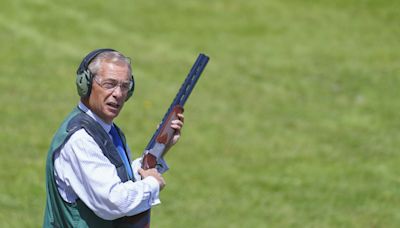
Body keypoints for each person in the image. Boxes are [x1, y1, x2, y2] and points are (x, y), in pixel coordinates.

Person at [43, 48, 184, 227]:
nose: (118, 94)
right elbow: (114, 201)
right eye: (109, 84)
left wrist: (159, 149)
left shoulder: (107, 129)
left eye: (124, 86)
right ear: (85, 84)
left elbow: (119, 179)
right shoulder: (81, 139)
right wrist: (152, 184)